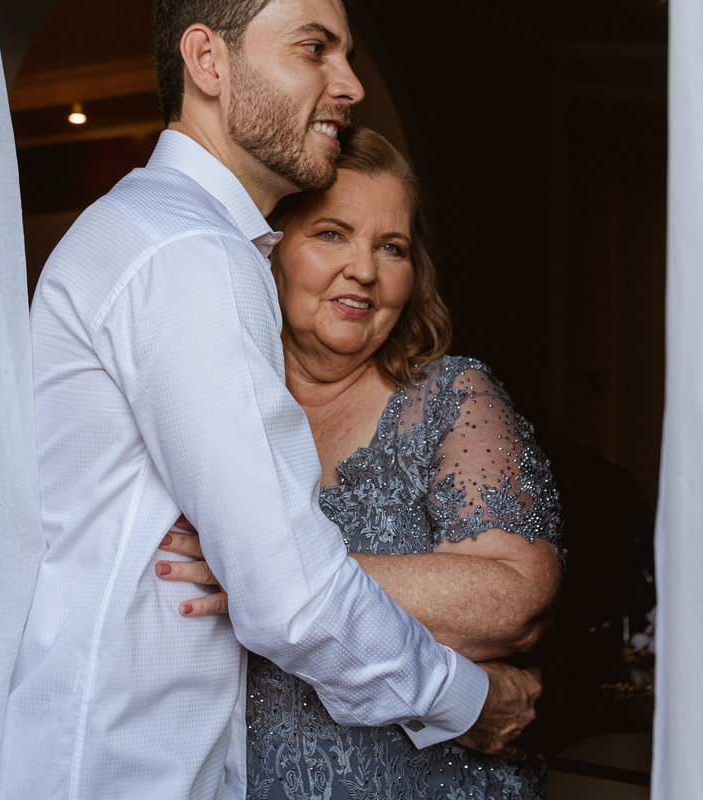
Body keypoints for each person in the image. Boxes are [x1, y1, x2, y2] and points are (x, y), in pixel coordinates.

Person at [0, 2, 538, 798]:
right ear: (208, 62)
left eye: (348, 55)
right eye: (314, 49)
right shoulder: (191, 255)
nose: (350, 85)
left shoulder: (159, 233)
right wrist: (471, 702)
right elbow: (292, 596)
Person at [156, 128, 564, 800]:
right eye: (332, 234)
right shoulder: (214, 404)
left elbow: (515, 599)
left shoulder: (451, 398)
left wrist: (262, 572)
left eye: (391, 247)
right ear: (272, 250)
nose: (365, 271)